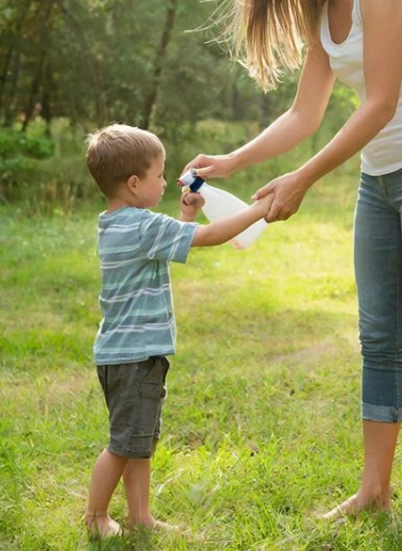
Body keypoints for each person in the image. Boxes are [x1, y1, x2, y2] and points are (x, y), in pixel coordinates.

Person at [185, 0, 402, 537]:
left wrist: (304, 178)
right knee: (378, 337)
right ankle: (374, 492)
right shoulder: (321, 11)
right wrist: (232, 162)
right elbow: (304, 114)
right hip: (382, 181)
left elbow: (379, 104)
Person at [83, 123, 272, 538]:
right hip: (135, 356)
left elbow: (164, 241)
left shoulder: (116, 223)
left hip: (122, 354)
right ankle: (96, 517)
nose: (166, 182)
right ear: (134, 184)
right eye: (159, 174)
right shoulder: (142, 226)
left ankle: (140, 516)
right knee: (123, 443)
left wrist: (185, 216)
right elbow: (211, 235)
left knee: (138, 441)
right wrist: (260, 209)